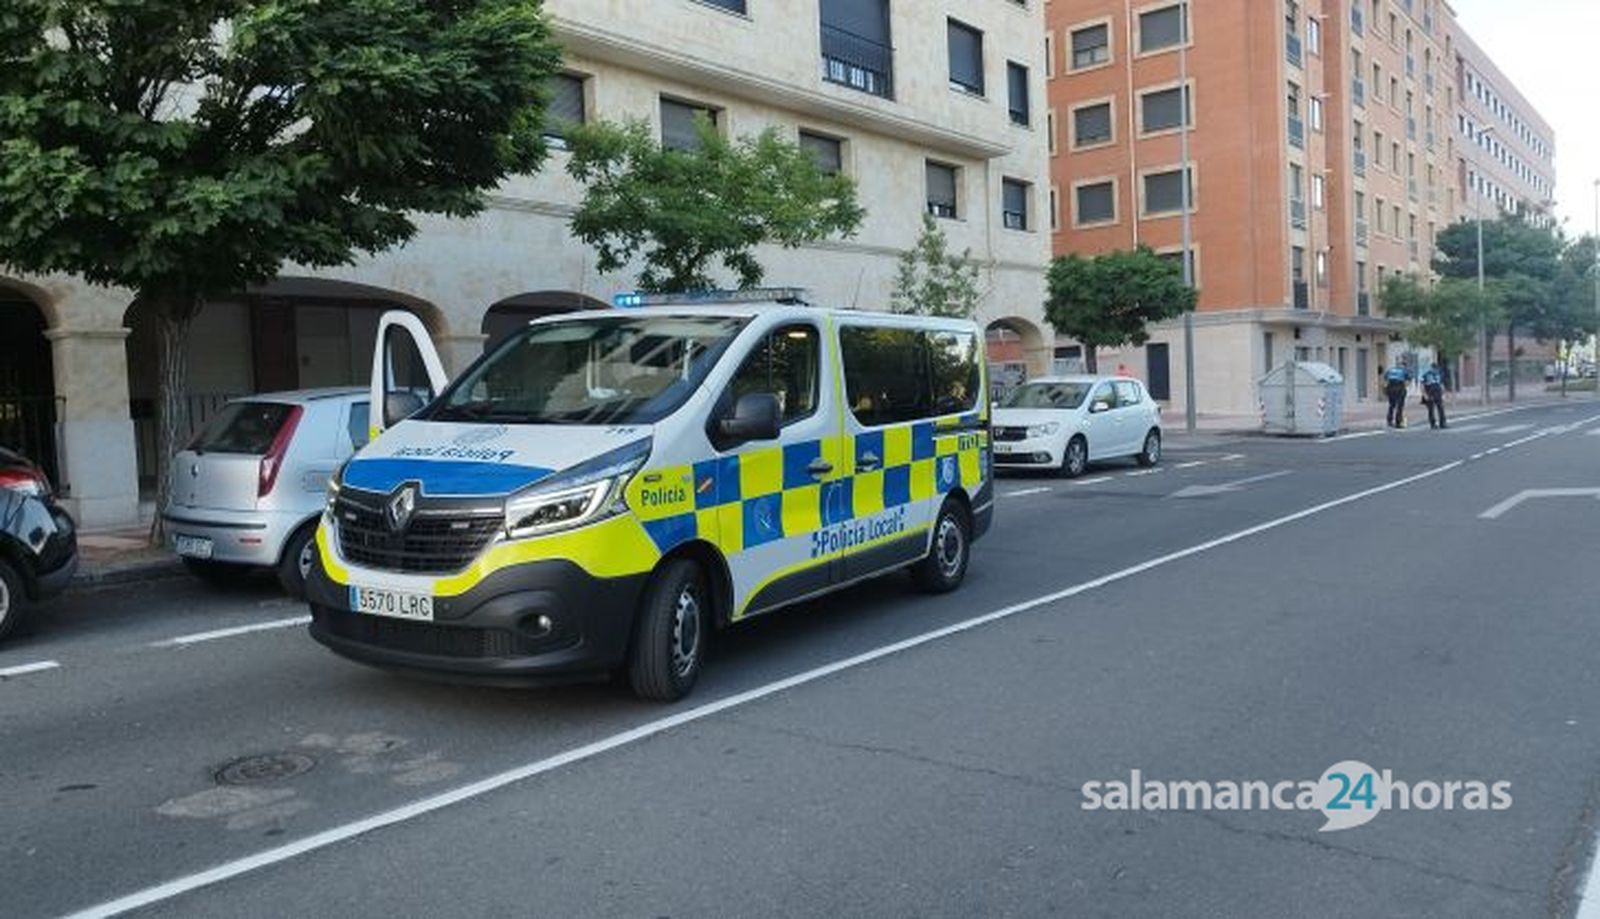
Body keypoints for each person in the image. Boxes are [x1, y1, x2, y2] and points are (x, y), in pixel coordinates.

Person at [1383, 361, 1412, 428]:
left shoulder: (1390, 370)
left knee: (1391, 405)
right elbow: (1408, 381)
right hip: (1399, 387)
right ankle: (1398, 422)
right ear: (1404, 366)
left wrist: (1385, 390)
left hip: (1390, 387)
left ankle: (1389, 420)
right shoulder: (1404, 371)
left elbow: (1385, 380)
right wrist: (1404, 388)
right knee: (1400, 406)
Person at [1420, 363, 1447, 429]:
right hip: (1430, 393)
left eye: (1436, 368)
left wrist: (1443, 394)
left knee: (1441, 408)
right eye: (1434, 368)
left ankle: (1442, 423)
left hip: (1438, 393)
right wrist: (1424, 394)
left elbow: (1441, 384)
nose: (1435, 370)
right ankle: (1433, 424)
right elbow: (1422, 385)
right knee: (1431, 409)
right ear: (1431, 368)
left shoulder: (1439, 374)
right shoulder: (1426, 375)